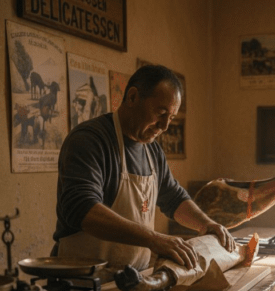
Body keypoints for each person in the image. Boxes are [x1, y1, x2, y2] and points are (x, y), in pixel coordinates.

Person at [52, 64, 234, 272]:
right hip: (83, 282)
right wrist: (154, 239)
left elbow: (173, 198)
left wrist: (206, 224)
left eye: (171, 117)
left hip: (134, 281)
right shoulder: (90, 140)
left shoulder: (153, 151)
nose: (165, 126)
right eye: (160, 112)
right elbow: (82, 209)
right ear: (132, 97)